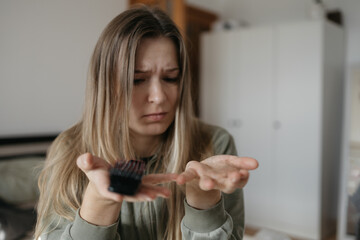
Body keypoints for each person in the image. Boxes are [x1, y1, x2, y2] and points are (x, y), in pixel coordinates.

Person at [34, 5, 258, 240]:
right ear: (106, 86)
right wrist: (98, 206)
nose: (159, 97)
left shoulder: (215, 143)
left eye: (170, 78)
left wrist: (203, 203)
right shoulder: (70, 148)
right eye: (137, 80)